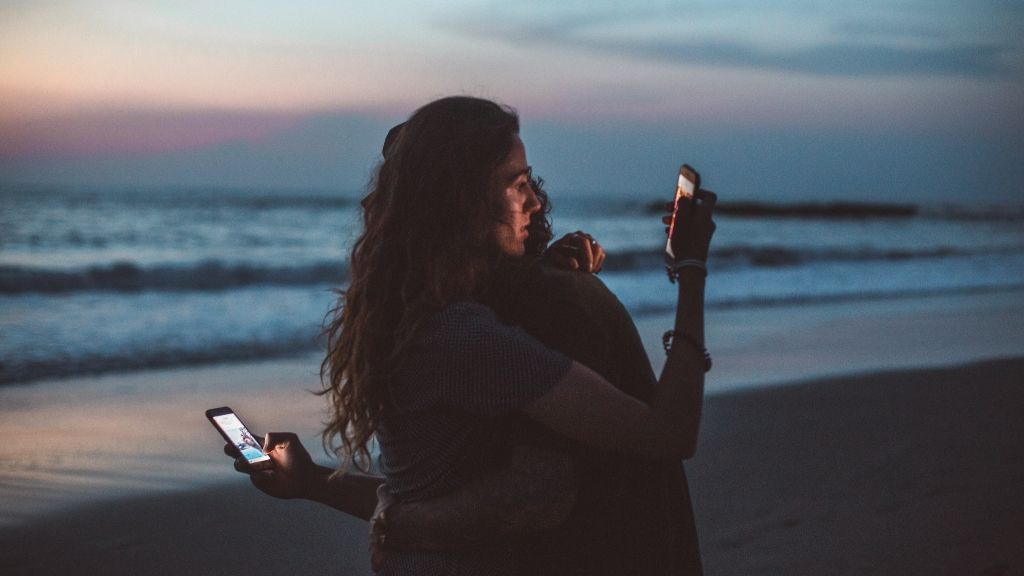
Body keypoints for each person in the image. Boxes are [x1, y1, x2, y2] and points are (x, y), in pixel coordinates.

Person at [227, 95, 716, 575]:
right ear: (462, 199)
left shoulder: (413, 317)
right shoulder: (467, 338)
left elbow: (407, 500)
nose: (535, 200)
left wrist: (312, 481)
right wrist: (691, 271)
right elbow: (667, 432)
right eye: (516, 183)